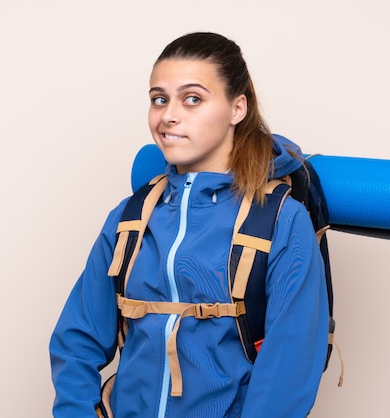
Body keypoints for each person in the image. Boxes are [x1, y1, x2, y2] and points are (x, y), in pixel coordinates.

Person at [49, 32, 328, 418]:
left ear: (237, 108)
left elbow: (288, 374)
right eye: (159, 99)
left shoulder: (281, 221)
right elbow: (75, 341)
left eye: (192, 99)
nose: (168, 115)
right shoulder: (130, 218)